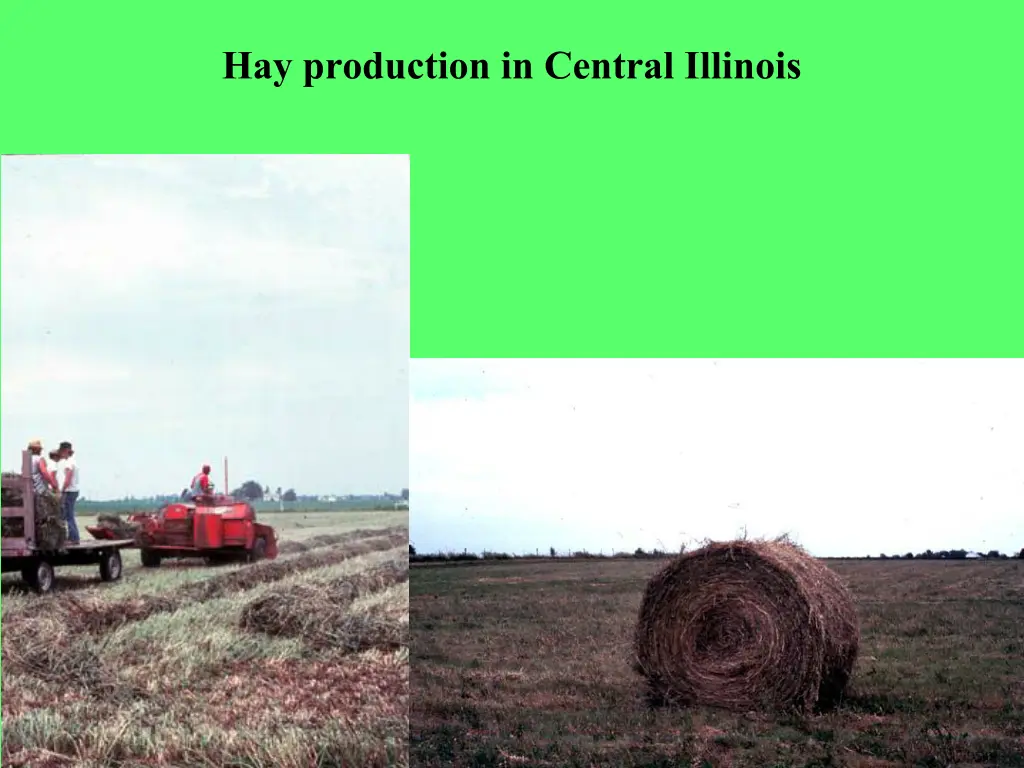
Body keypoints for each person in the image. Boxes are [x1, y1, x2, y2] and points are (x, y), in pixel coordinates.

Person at [58, 441, 81, 545]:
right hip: (74, 490)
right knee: (69, 514)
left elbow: (68, 478)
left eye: (62, 451)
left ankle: (73, 538)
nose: (61, 453)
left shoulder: (69, 463)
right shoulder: (73, 461)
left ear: (66, 451)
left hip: (70, 491)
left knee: (68, 515)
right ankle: (73, 537)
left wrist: (62, 490)